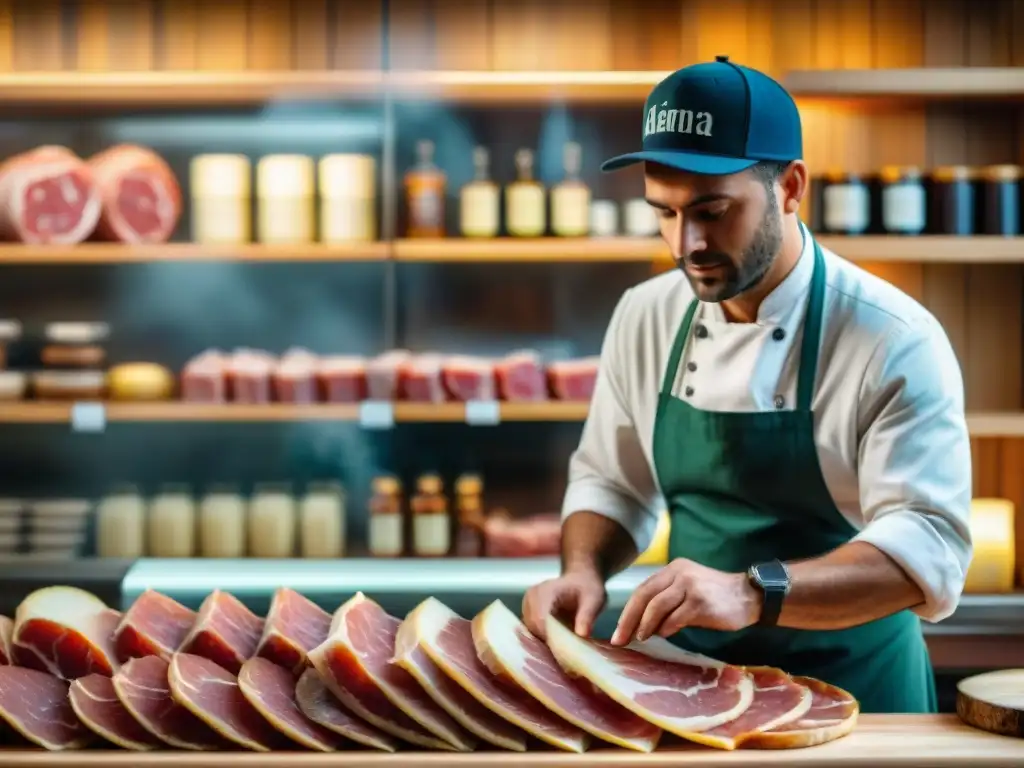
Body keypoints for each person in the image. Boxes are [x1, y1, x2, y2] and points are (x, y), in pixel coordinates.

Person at [521, 55, 972, 714]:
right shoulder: (646, 314)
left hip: (860, 700)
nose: (687, 242)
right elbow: (611, 482)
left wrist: (750, 591)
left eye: (713, 210)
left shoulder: (892, 337)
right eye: (665, 213)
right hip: (689, 690)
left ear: (791, 187)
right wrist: (583, 569)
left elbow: (929, 547)